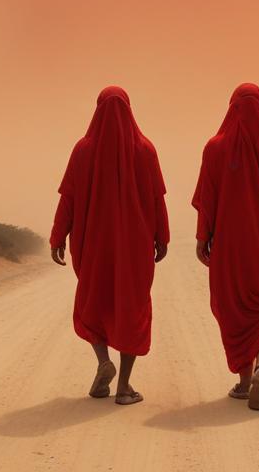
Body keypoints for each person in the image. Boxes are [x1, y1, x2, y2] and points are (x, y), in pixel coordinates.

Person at [50, 86, 169, 406]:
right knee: (132, 307)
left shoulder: (83, 150)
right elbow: (158, 200)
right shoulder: (145, 150)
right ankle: (125, 387)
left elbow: (68, 200)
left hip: (94, 246)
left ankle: (104, 362)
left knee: (95, 302)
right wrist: (162, 236)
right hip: (135, 246)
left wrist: (57, 236)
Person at [193, 83, 259, 411]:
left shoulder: (214, 148)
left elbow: (207, 201)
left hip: (229, 249)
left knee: (235, 311)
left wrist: (202, 239)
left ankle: (243, 381)